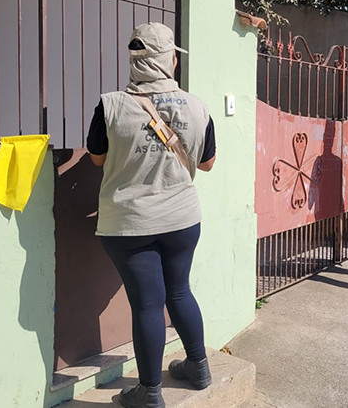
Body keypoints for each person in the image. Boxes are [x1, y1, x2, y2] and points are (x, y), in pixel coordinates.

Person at [86, 22, 216, 408]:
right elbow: (207, 164)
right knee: (179, 291)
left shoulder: (110, 105)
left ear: (136, 60)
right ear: (169, 60)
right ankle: (199, 367)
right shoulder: (197, 106)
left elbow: (97, 158)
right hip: (182, 219)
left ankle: (150, 392)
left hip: (130, 224)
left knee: (146, 303)